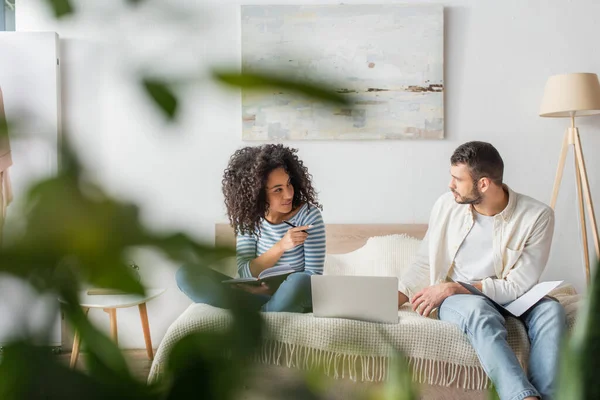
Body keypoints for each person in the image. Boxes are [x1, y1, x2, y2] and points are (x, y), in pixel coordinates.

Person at [398, 141, 566, 400]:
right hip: (462, 301)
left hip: (512, 295)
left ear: (484, 183)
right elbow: (424, 262)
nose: (450, 184)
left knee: (552, 310)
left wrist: (454, 286)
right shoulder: (446, 206)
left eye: (457, 179)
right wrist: (396, 296)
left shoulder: (537, 216)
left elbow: (517, 286)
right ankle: (523, 397)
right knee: (479, 311)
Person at [176, 144, 325, 313]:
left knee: (300, 281)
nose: (289, 194)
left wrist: (273, 290)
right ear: (258, 194)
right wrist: (281, 246)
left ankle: (258, 317)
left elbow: (313, 277)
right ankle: (266, 311)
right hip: (254, 294)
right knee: (186, 273)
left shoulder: (308, 216)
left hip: (290, 294)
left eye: (289, 184)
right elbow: (245, 273)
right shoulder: (250, 220)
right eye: (278, 190)